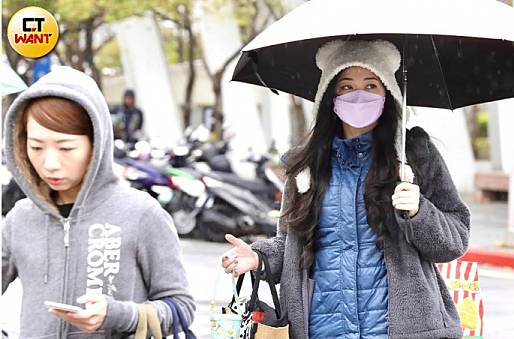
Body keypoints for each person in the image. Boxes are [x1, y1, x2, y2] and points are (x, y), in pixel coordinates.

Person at [220, 40, 471, 338]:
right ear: (331, 96)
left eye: (371, 85)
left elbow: (454, 240)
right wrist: (260, 258)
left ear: (388, 92)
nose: (359, 96)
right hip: (322, 329)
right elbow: (292, 244)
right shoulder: (306, 165)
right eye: (346, 87)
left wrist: (419, 212)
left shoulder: (414, 154)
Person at [2, 67, 195, 337]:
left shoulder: (142, 213)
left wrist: (117, 314)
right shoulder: (19, 219)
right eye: (36, 147)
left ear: (97, 142)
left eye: (66, 148)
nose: (50, 163)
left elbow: (181, 308)